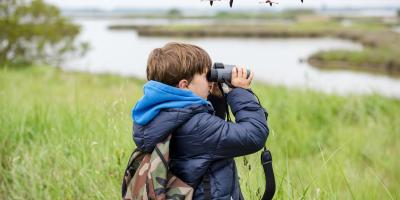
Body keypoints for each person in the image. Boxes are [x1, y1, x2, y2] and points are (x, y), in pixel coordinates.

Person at [131, 42, 269, 199]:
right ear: (184, 85)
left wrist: (215, 98)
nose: (210, 81)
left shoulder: (158, 115)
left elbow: (209, 135)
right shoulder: (198, 126)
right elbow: (254, 135)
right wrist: (239, 92)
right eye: (206, 76)